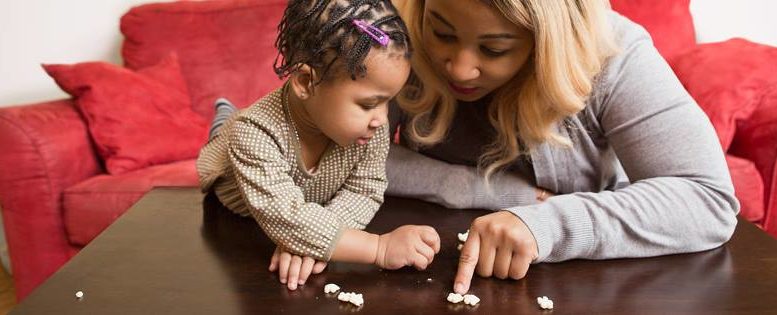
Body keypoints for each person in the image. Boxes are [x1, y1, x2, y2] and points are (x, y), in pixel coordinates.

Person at [387, 0, 739, 295]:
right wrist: (491, 191)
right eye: (441, 32)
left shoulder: (613, 54)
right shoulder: (390, 27)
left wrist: (547, 225)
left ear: (548, 39)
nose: (461, 70)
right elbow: (342, 157)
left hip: (584, 285)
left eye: (495, 49)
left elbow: (707, 199)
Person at [197, 0, 440, 291]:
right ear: (304, 81)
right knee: (226, 126)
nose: (382, 118)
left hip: (303, 204)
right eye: (368, 103)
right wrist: (379, 248)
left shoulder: (370, 127)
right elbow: (288, 219)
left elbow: (365, 189)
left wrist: (314, 241)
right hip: (230, 169)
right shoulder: (252, 133)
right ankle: (224, 110)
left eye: (389, 101)